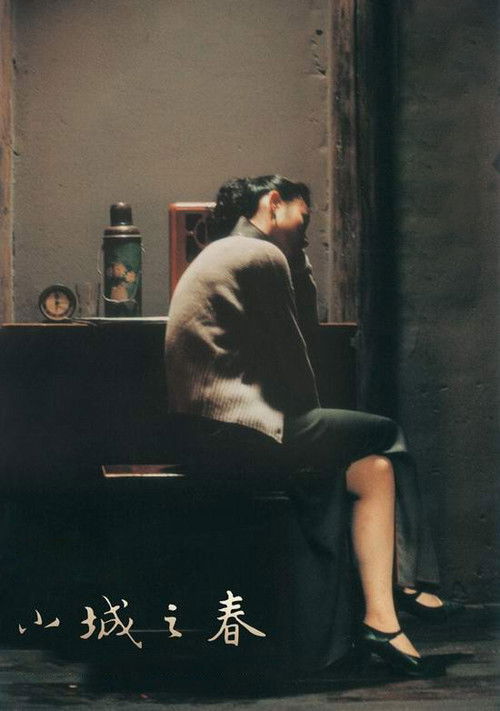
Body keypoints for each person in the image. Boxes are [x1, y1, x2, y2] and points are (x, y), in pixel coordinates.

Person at [165, 175, 462, 677]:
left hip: (210, 432)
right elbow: (298, 360)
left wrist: (297, 260)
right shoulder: (258, 255)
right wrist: (315, 416)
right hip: (240, 431)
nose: (307, 230)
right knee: (386, 431)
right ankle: (413, 583)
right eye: (304, 217)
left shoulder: (229, 252)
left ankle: (382, 622)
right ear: (273, 203)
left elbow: (294, 328)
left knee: (373, 470)